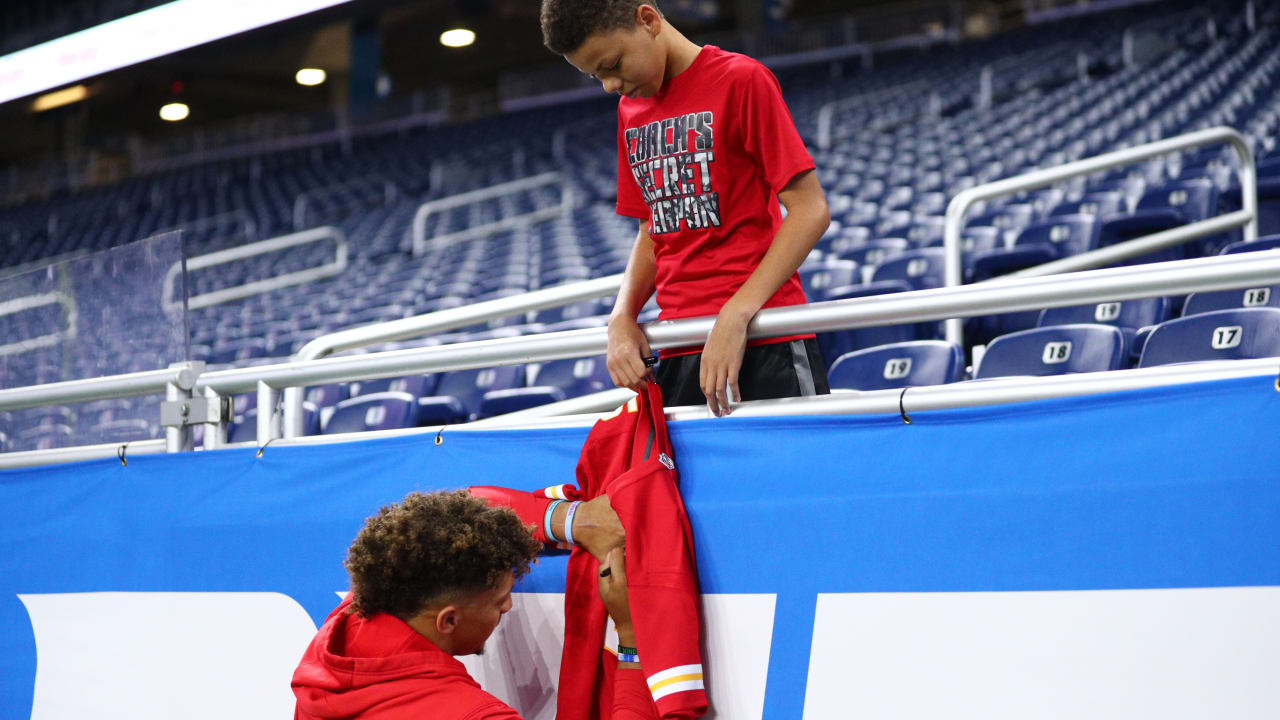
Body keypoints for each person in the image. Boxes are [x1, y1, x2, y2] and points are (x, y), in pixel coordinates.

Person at [540, 0, 832, 416]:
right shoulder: (630, 109)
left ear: (649, 20)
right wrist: (622, 316)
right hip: (679, 342)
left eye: (614, 64)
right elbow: (651, 230)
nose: (609, 85)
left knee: (792, 476)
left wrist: (737, 313)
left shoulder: (741, 79)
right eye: (596, 75)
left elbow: (811, 209)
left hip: (765, 335)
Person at [292, 490, 654, 720]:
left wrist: (575, 521)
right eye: (499, 601)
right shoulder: (473, 715)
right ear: (447, 621)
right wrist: (631, 640)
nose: (509, 607)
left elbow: (463, 505)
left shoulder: (343, 631)